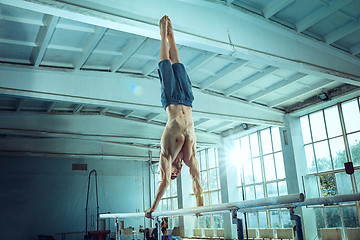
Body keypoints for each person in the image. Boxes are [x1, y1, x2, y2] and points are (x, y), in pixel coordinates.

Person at [145, 15, 204, 219]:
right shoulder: (189, 156)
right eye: (176, 174)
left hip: (171, 100)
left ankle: (163, 35)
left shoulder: (166, 154)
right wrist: (200, 204)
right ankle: (173, 35)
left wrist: (153, 208)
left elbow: (164, 183)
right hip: (187, 101)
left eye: (172, 172)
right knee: (178, 64)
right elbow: (196, 178)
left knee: (165, 65)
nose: (175, 173)